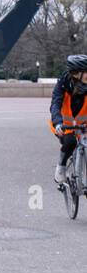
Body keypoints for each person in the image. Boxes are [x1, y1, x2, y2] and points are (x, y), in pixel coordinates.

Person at [50, 55, 87, 186]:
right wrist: (58, 122)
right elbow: (55, 104)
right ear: (76, 73)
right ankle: (61, 166)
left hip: (84, 126)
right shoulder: (62, 85)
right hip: (64, 126)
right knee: (70, 142)